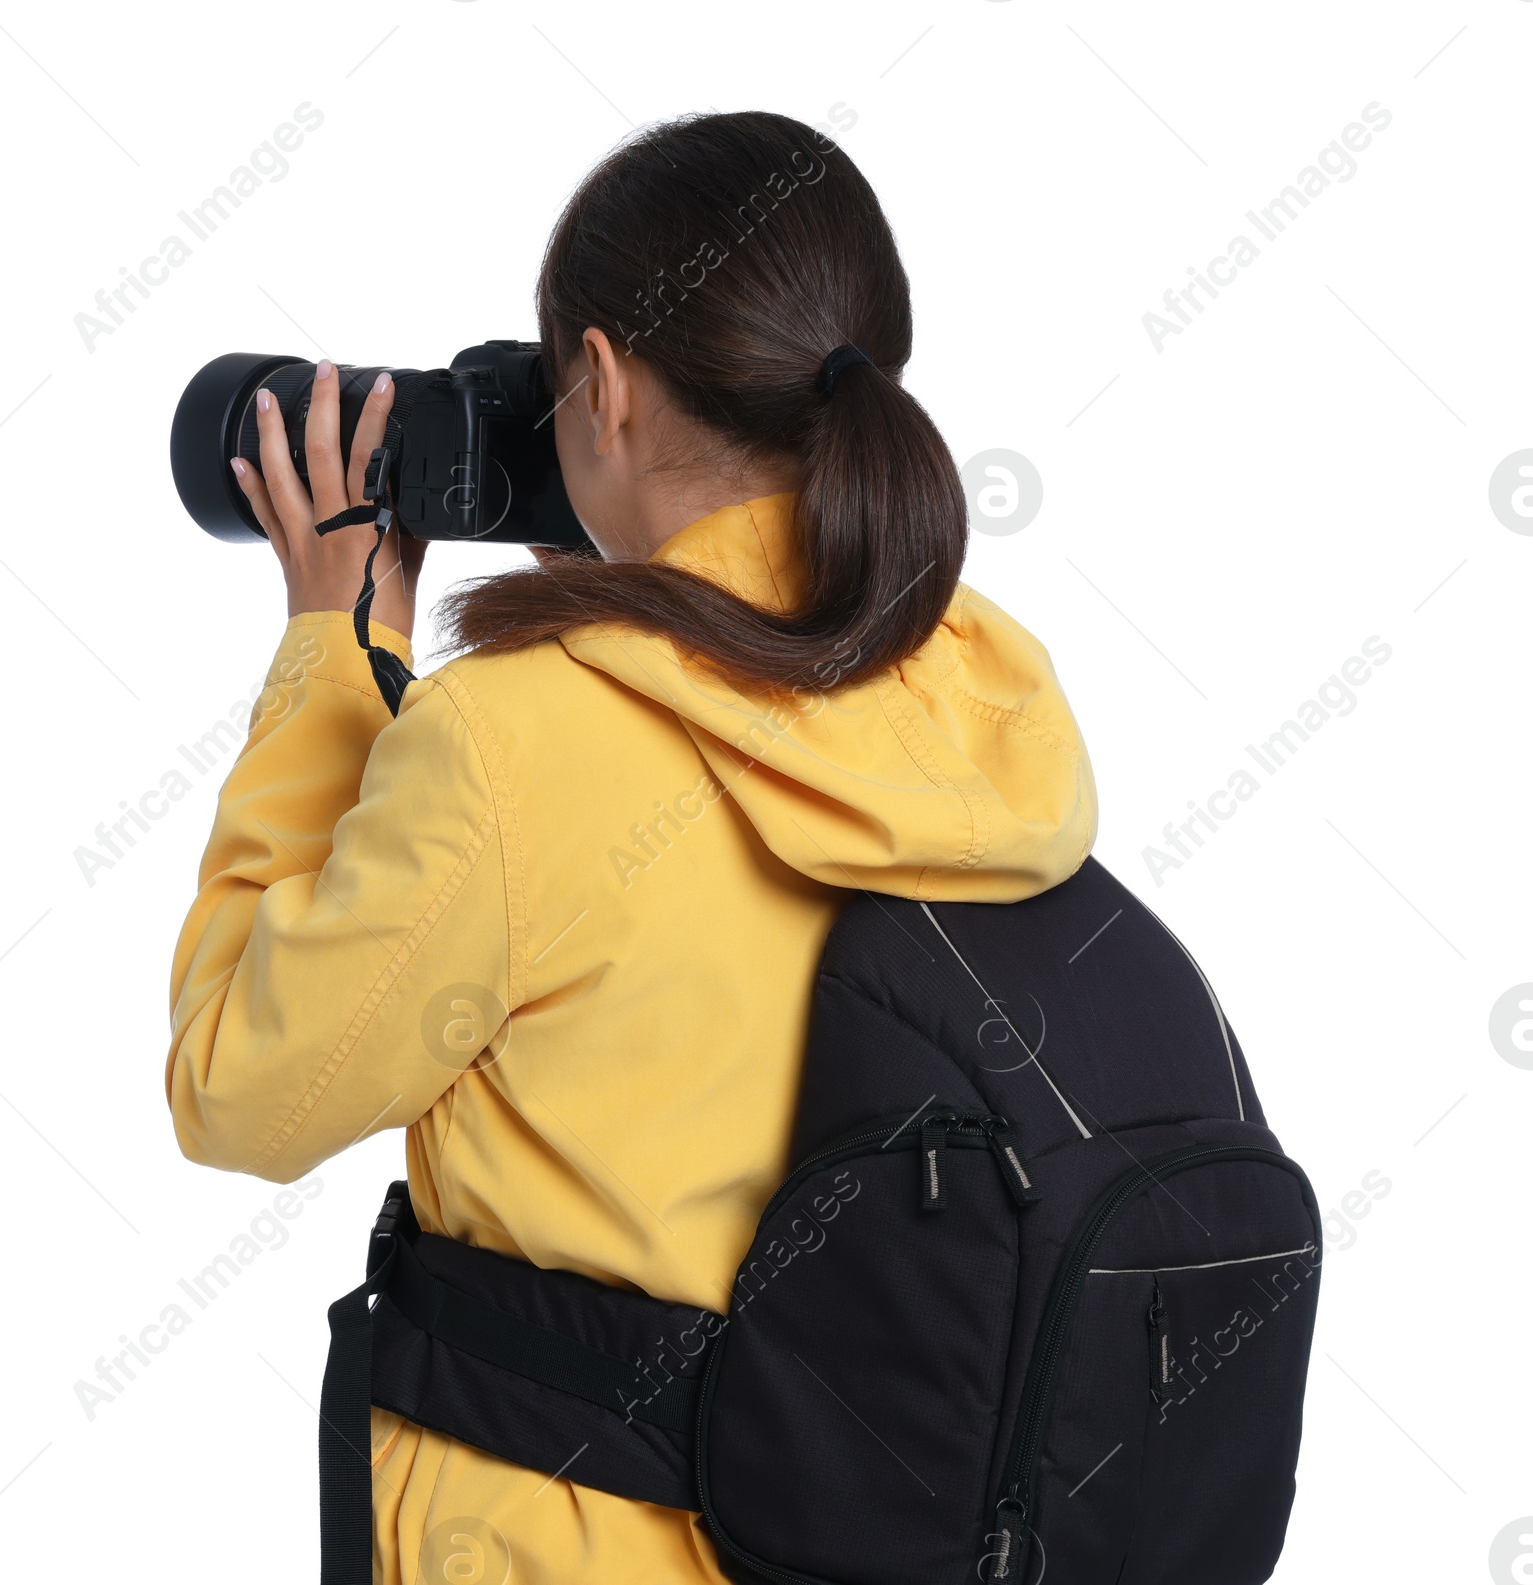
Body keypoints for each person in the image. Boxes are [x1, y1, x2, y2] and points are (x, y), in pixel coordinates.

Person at [167, 110, 1097, 1584]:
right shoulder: (980, 686)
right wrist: (638, 596)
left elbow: (239, 1086)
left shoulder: (519, 742)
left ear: (595, 386)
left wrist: (333, 650)